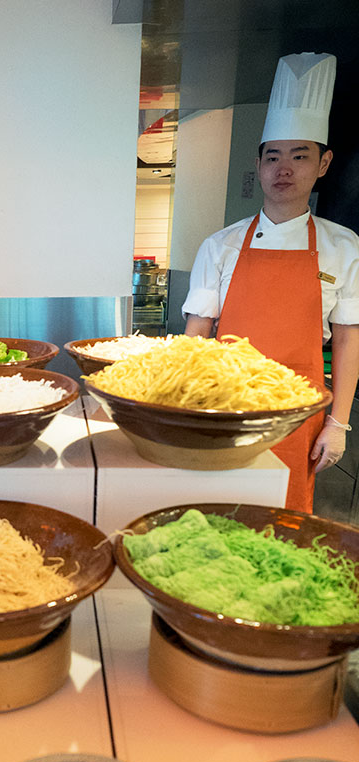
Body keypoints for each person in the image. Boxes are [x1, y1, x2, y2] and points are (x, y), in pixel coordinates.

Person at [182, 52, 359, 513]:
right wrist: (184, 408)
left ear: (323, 164)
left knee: (284, 518)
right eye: (274, 156)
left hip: (298, 415)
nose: (285, 169)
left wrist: (337, 424)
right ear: (258, 165)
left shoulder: (344, 246)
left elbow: (347, 338)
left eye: (300, 156)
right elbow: (195, 339)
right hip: (224, 407)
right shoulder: (220, 245)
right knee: (216, 513)